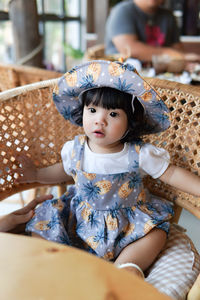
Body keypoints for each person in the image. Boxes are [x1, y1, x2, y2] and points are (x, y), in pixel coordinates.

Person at [16, 60, 200, 279]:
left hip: (129, 225)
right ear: (81, 111)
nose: (99, 121)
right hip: (80, 221)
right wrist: (36, 175)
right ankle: (61, 266)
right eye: (92, 110)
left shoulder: (140, 152)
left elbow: (171, 173)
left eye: (113, 114)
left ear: (130, 122)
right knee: (45, 223)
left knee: (156, 234)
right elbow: (63, 171)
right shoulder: (75, 149)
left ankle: (127, 268)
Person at [105, 0, 199, 63]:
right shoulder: (122, 11)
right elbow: (129, 50)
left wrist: (184, 61)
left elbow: (178, 51)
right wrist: (170, 54)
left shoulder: (168, 16)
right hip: (120, 81)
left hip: (160, 80)